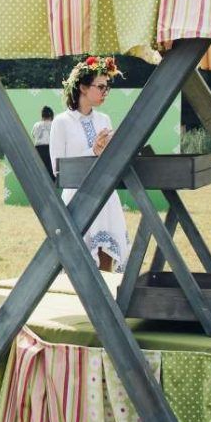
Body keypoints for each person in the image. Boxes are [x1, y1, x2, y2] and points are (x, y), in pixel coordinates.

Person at [49, 56, 130, 272]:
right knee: (79, 261)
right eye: (101, 86)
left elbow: (110, 160)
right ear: (83, 87)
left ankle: (108, 300)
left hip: (105, 196)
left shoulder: (104, 120)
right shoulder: (61, 122)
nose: (105, 92)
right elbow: (57, 167)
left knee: (106, 255)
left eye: (107, 87)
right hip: (76, 196)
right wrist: (92, 151)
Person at [31, 106, 55, 181]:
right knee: (52, 171)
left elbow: (33, 135)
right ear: (51, 115)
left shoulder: (36, 125)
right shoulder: (54, 124)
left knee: (40, 171)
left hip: (39, 150)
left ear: (42, 115)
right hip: (51, 149)